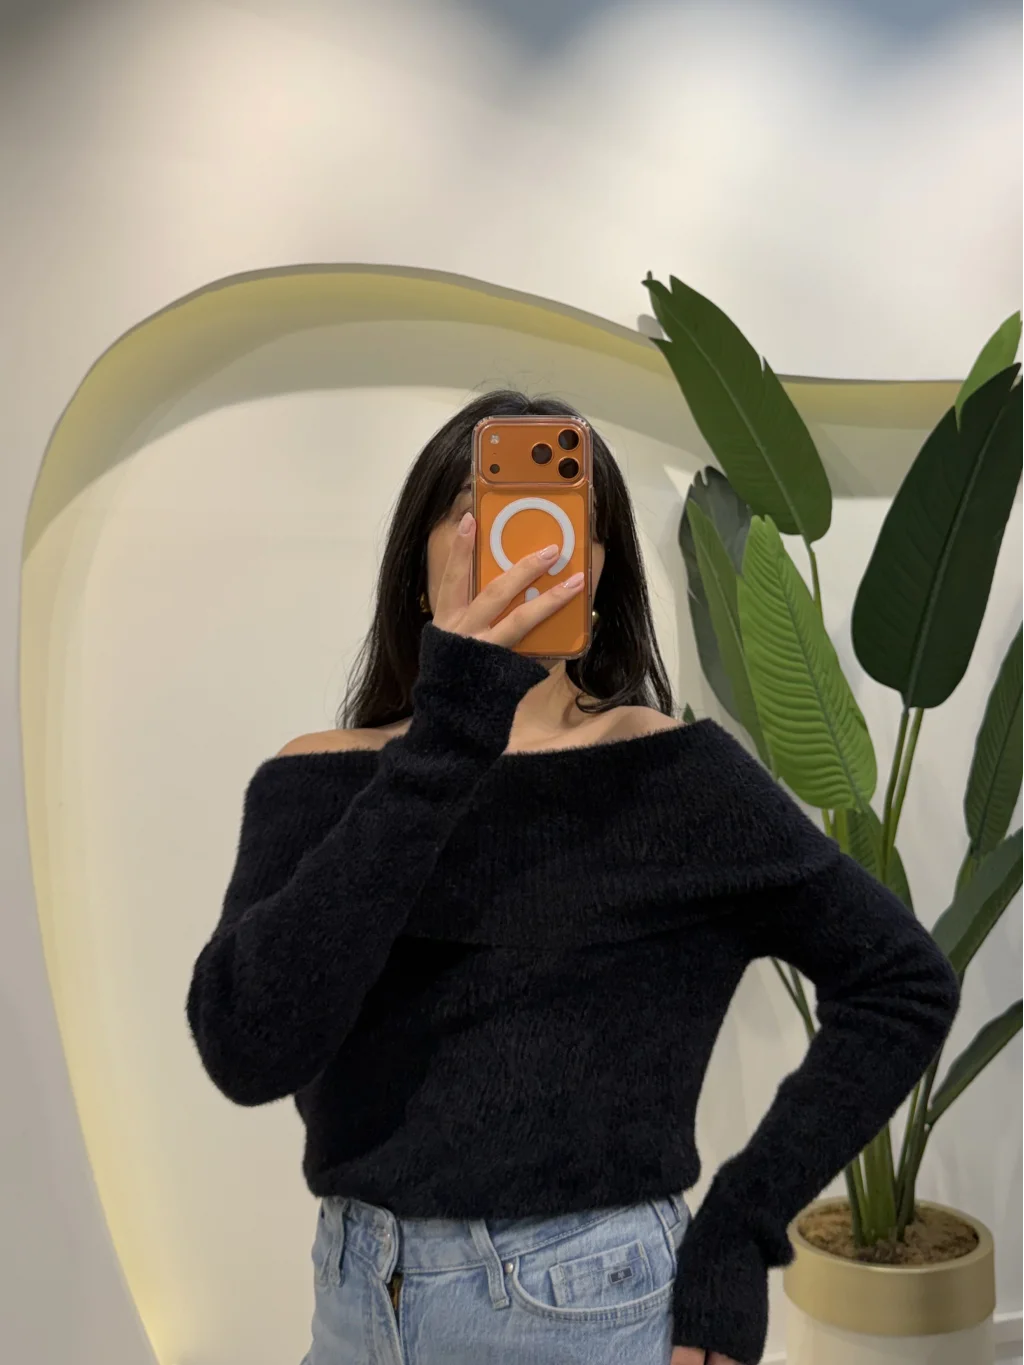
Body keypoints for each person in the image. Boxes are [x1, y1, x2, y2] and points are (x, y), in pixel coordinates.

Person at [186, 390, 961, 1365]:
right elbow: (248, 1050)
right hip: (354, 1303)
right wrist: (448, 735)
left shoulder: (672, 776)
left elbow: (902, 982)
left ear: (596, 573)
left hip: (588, 1307)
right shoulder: (318, 777)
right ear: (422, 568)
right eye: (476, 509)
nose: (522, 543)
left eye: (560, 519)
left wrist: (740, 1226)